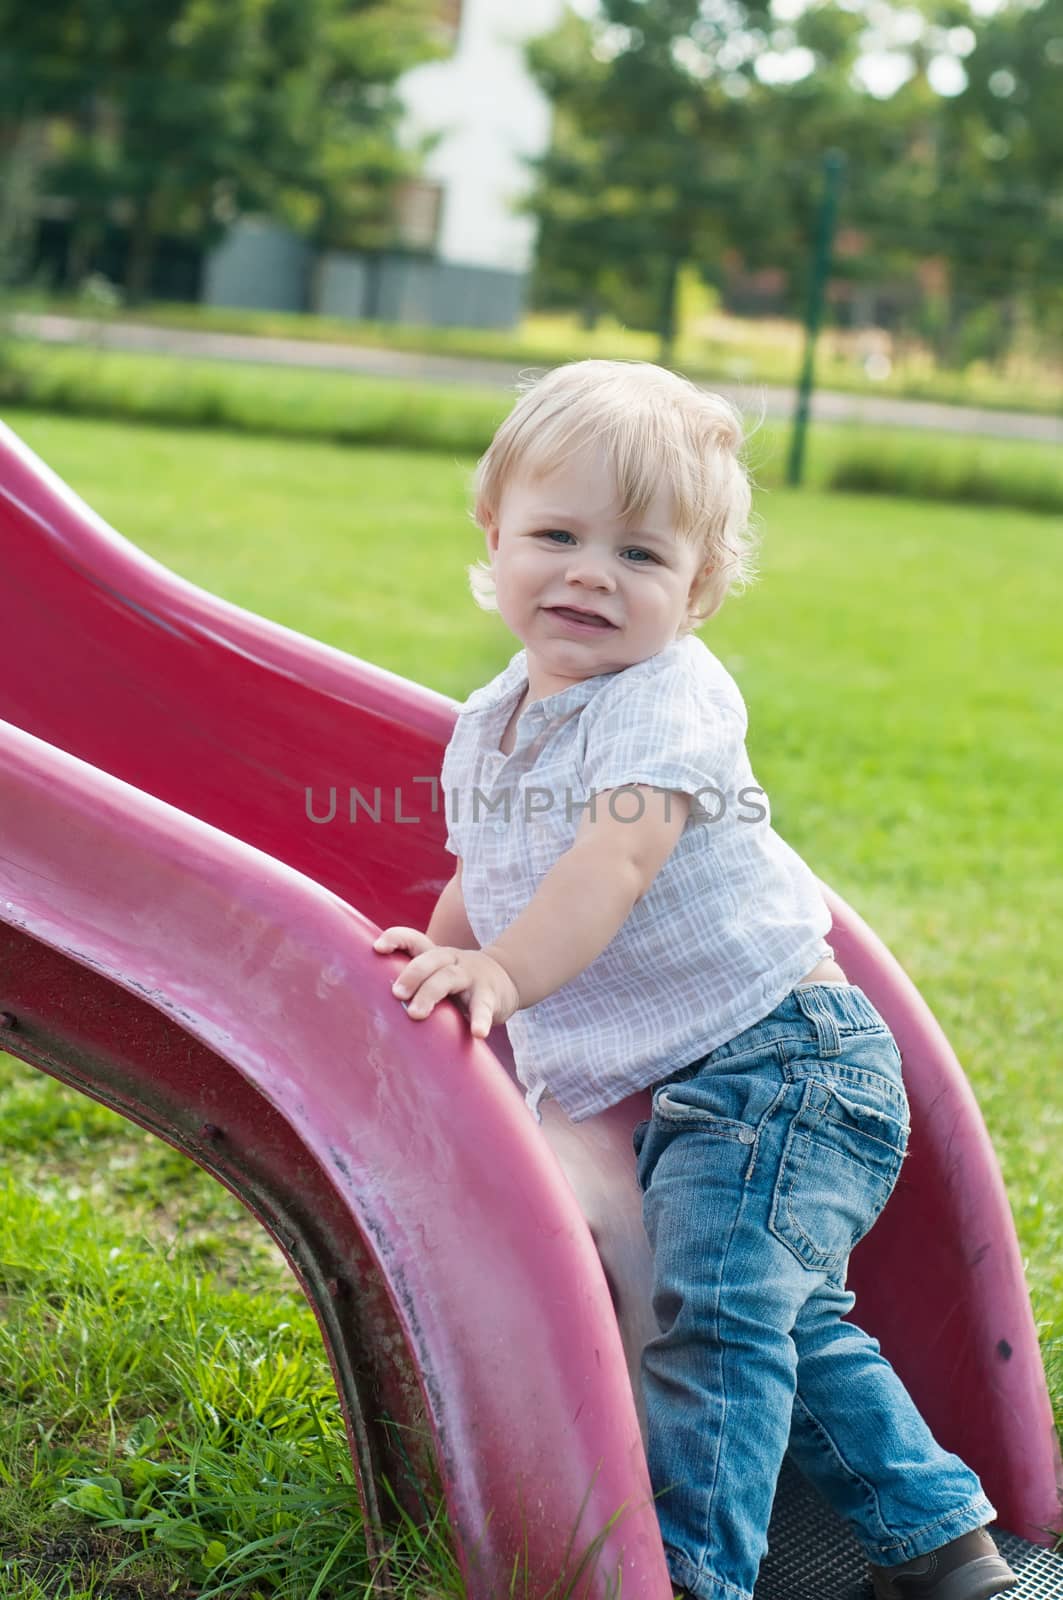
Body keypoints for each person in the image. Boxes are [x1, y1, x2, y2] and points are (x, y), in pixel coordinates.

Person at [372, 360, 1018, 1600]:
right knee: (768, 1312)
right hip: (714, 1082)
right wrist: (440, 946)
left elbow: (611, 858)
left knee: (706, 1323)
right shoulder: (494, 716)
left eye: (639, 554)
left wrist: (504, 972)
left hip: (787, 1064)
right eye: (554, 534)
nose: (588, 574)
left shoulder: (671, 701)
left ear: (701, 588)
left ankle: (692, 1579)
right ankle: (942, 1546)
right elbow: (493, 869)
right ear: (492, 537)